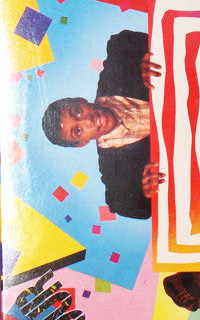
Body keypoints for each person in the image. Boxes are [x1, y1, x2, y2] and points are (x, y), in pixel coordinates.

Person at [41, 30, 163, 219]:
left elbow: (120, 40)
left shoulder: (117, 69)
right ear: (82, 143)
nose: (87, 120)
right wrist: (146, 191)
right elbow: (127, 206)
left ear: (81, 100)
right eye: (78, 130)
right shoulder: (115, 175)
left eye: (78, 112)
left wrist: (140, 61)